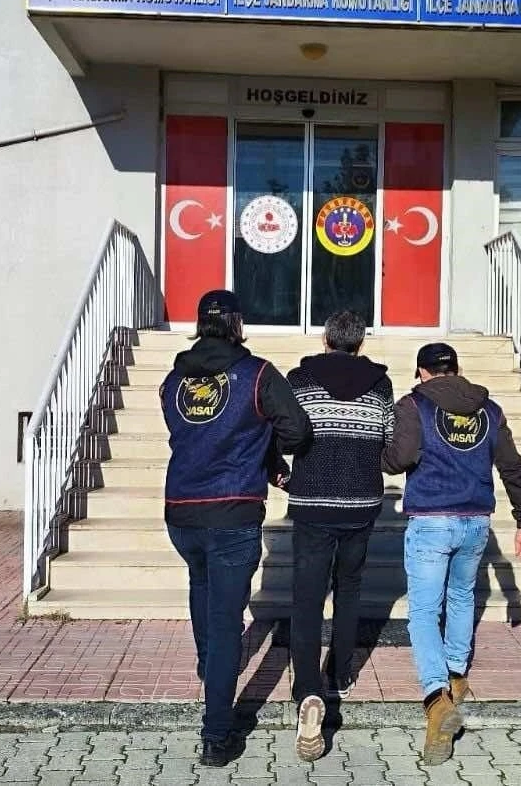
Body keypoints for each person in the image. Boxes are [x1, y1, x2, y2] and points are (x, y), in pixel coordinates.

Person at [160, 289, 312, 767]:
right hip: (232, 508)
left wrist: (257, 448)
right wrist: (267, 454)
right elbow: (298, 429)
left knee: (201, 588)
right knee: (227, 622)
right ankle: (217, 733)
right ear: (236, 324)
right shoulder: (257, 374)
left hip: (181, 508)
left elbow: (180, 430)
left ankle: (210, 669)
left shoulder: (174, 379)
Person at [382, 342, 521, 766]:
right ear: (456, 369)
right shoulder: (489, 409)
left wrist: (380, 454)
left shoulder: (413, 405)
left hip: (432, 520)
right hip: (476, 521)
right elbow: (512, 466)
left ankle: (436, 698)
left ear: (422, 372)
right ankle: (456, 675)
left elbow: (400, 459)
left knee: (423, 612)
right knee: (460, 598)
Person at [281, 310, 394, 762]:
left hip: (312, 500)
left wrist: (281, 469)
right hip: (361, 502)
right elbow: (388, 440)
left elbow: (285, 433)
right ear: (360, 343)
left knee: (307, 597)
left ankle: (308, 688)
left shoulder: (299, 380)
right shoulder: (381, 386)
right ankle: (341, 674)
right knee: (349, 589)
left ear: (326, 340)